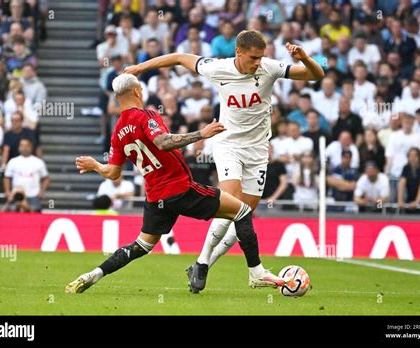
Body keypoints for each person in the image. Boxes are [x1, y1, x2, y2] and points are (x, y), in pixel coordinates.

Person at [123, 30, 324, 283]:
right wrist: (140, 67)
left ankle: (203, 264)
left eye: (261, 57)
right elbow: (178, 57)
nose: (258, 63)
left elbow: (317, 75)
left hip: (258, 150)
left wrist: (304, 57)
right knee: (234, 206)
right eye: (253, 58)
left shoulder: (269, 68)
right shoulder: (217, 68)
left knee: (243, 216)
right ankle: (205, 264)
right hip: (228, 144)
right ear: (238, 52)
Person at [65, 74, 289, 295]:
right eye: (141, 89)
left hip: (155, 197)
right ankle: (256, 273)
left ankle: (93, 274)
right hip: (179, 189)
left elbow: (113, 173)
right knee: (242, 211)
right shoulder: (146, 116)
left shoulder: (117, 133)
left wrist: (95, 165)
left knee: (141, 246)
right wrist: (202, 134)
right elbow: (162, 142)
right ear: (136, 91)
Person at [3, 138, 50, 212]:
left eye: (26, 146)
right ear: (18, 147)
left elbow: (46, 178)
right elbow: (7, 177)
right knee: (12, 218)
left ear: (31, 147)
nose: (24, 148)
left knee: (35, 217)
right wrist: (7, 191)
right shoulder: (13, 161)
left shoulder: (38, 162)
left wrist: (41, 191)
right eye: (21, 145)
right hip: (17, 195)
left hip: (33, 195)